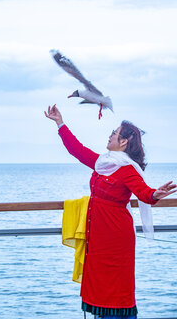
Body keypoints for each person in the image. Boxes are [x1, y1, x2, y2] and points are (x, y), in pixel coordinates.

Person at [44, 104, 177, 319]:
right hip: (98, 237)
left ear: (123, 142)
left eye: (114, 134)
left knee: (117, 292)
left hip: (116, 238)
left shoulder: (126, 169)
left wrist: (155, 194)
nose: (110, 136)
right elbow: (76, 150)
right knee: (99, 290)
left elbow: (144, 193)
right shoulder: (102, 163)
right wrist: (60, 123)